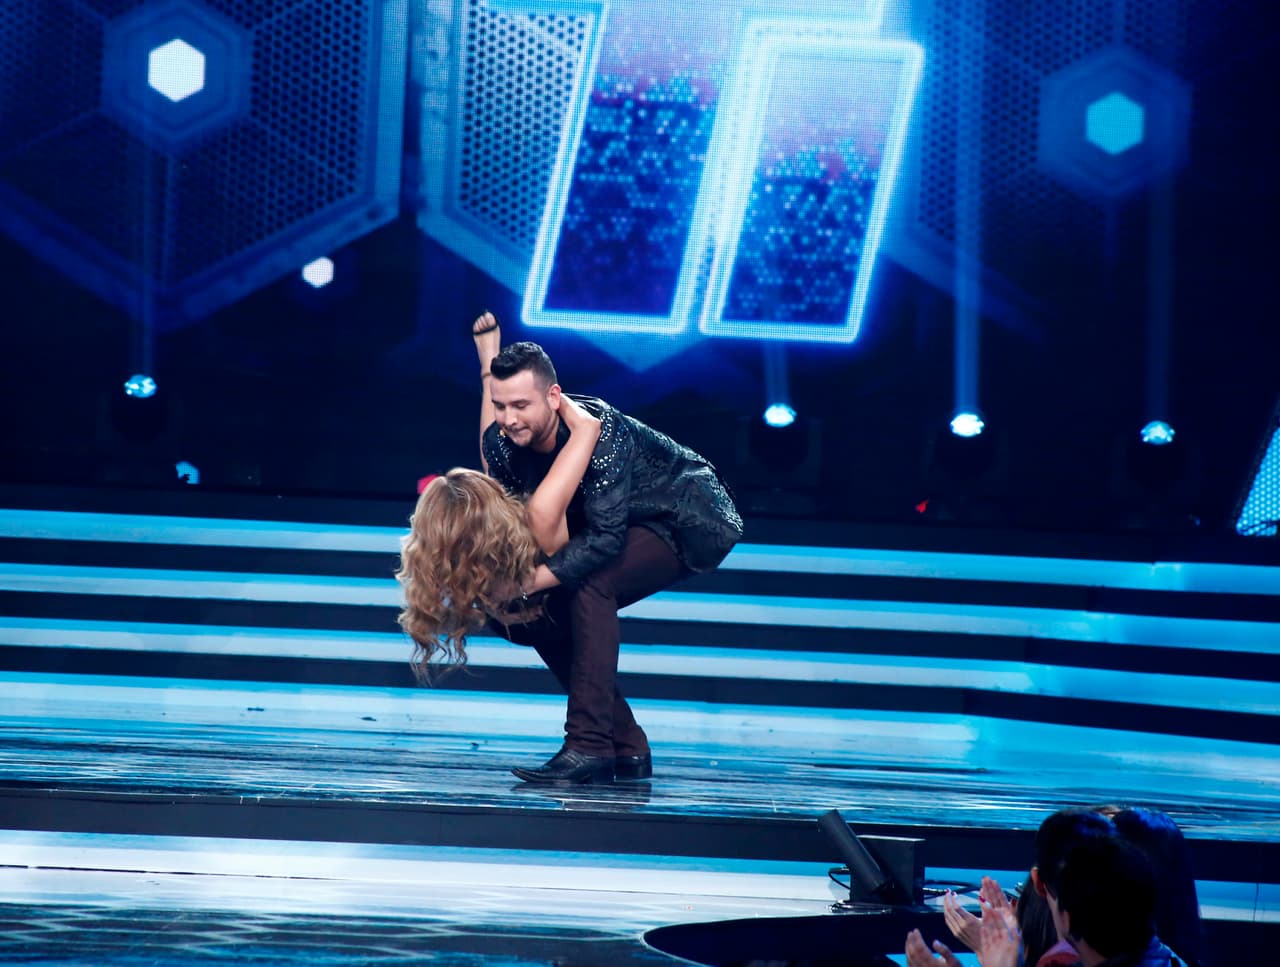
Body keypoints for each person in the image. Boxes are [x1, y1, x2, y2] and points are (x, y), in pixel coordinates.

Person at [403, 311, 743, 785]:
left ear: (553, 397)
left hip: (683, 516)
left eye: (521, 405)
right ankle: (626, 745)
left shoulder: (601, 432)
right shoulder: (503, 439)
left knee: (588, 583)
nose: (509, 418)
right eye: (501, 406)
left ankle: (588, 745)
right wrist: (514, 591)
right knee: (531, 613)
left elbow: (605, 541)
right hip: (608, 524)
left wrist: (530, 580)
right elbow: (498, 482)